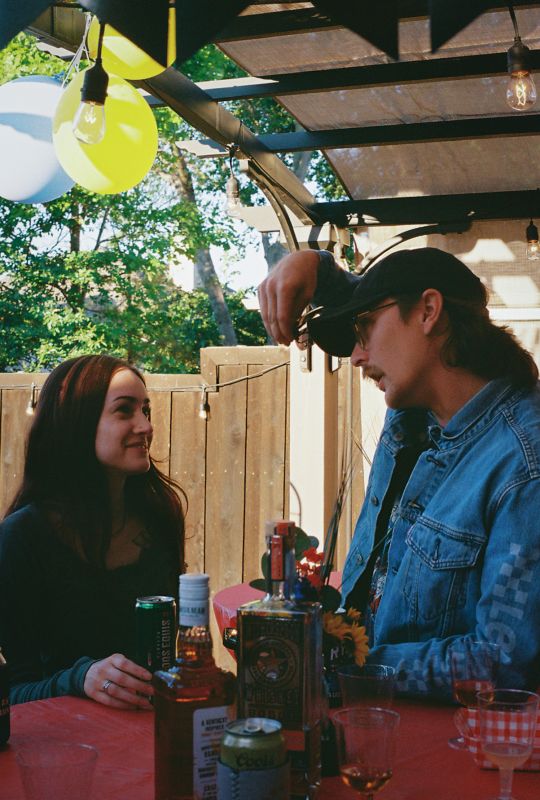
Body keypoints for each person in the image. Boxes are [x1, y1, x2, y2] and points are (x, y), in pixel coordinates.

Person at [258, 246, 540, 698]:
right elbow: (379, 290)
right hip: (360, 716)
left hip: (438, 737)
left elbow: (500, 662)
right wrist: (313, 264)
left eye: (365, 328)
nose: (356, 356)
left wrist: (350, 666)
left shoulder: (524, 462)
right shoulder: (415, 414)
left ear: (429, 311)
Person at [0, 355, 186, 708]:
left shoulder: (160, 518)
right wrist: (78, 678)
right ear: (75, 423)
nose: (146, 426)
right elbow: (13, 694)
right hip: (62, 740)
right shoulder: (22, 537)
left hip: (152, 730)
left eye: (145, 410)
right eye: (124, 410)